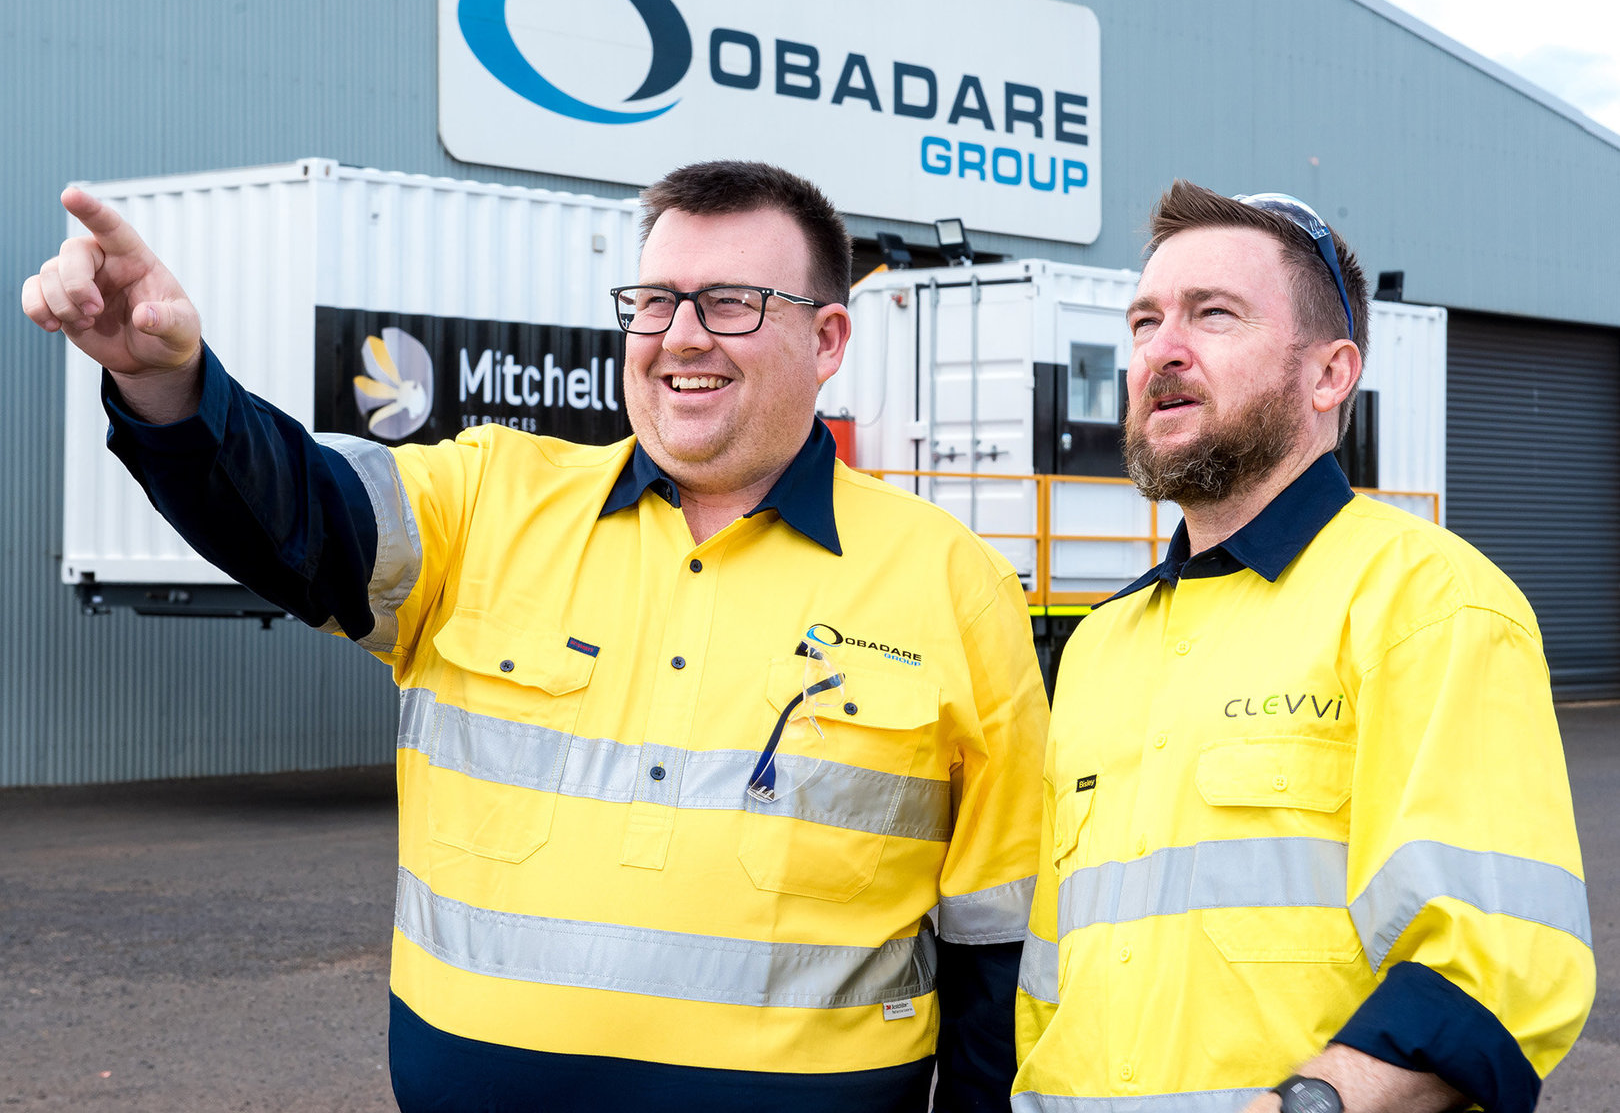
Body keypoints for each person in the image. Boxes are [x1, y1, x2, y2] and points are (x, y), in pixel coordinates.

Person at [24, 160, 1049, 1113]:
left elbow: (1000, 949)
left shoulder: (950, 582)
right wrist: (171, 386)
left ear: (827, 341)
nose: (680, 336)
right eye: (655, 302)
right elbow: (298, 515)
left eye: (731, 303)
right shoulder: (487, 503)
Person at [1013, 180, 1593, 1113]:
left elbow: (1500, 963)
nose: (1163, 350)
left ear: (1328, 375)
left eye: (1214, 315)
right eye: (1144, 321)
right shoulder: (1099, 648)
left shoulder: (1427, 602)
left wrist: (1309, 1103)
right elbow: (1050, 987)